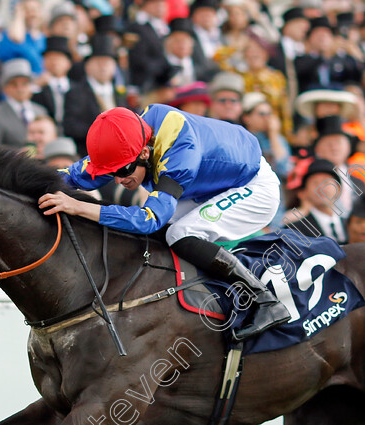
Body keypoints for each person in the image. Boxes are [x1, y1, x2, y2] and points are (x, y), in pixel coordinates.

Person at [39, 105, 290, 340]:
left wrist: (81, 206)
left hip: (253, 186)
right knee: (164, 232)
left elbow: (149, 219)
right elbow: (69, 176)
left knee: (179, 233)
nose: (118, 180)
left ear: (145, 153)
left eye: (124, 171)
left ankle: (265, 300)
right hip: (208, 182)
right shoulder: (128, 142)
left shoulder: (179, 152)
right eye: (111, 173)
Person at [0, 58, 48, 147]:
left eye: (24, 84)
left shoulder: (40, 111)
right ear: (5, 88)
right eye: (14, 84)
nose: (20, 89)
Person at [287, 158, 348, 244]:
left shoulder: (351, 224)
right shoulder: (294, 230)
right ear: (305, 192)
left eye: (326, 182)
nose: (321, 188)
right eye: (315, 183)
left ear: (338, 188)